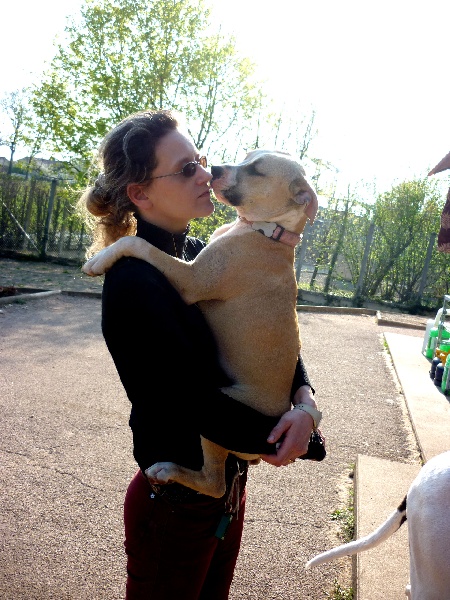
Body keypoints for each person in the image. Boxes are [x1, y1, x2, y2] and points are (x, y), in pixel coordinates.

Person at [79, 108, 320, 600]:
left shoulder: (203, 248)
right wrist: (283, 440)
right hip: (175, 506)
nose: (206, 175)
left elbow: (272, 331)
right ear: (140, 193)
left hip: (225, 494)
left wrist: (305, 403)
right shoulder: (134, 280)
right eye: (186, 169)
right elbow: (185, 400)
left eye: (201, 160)